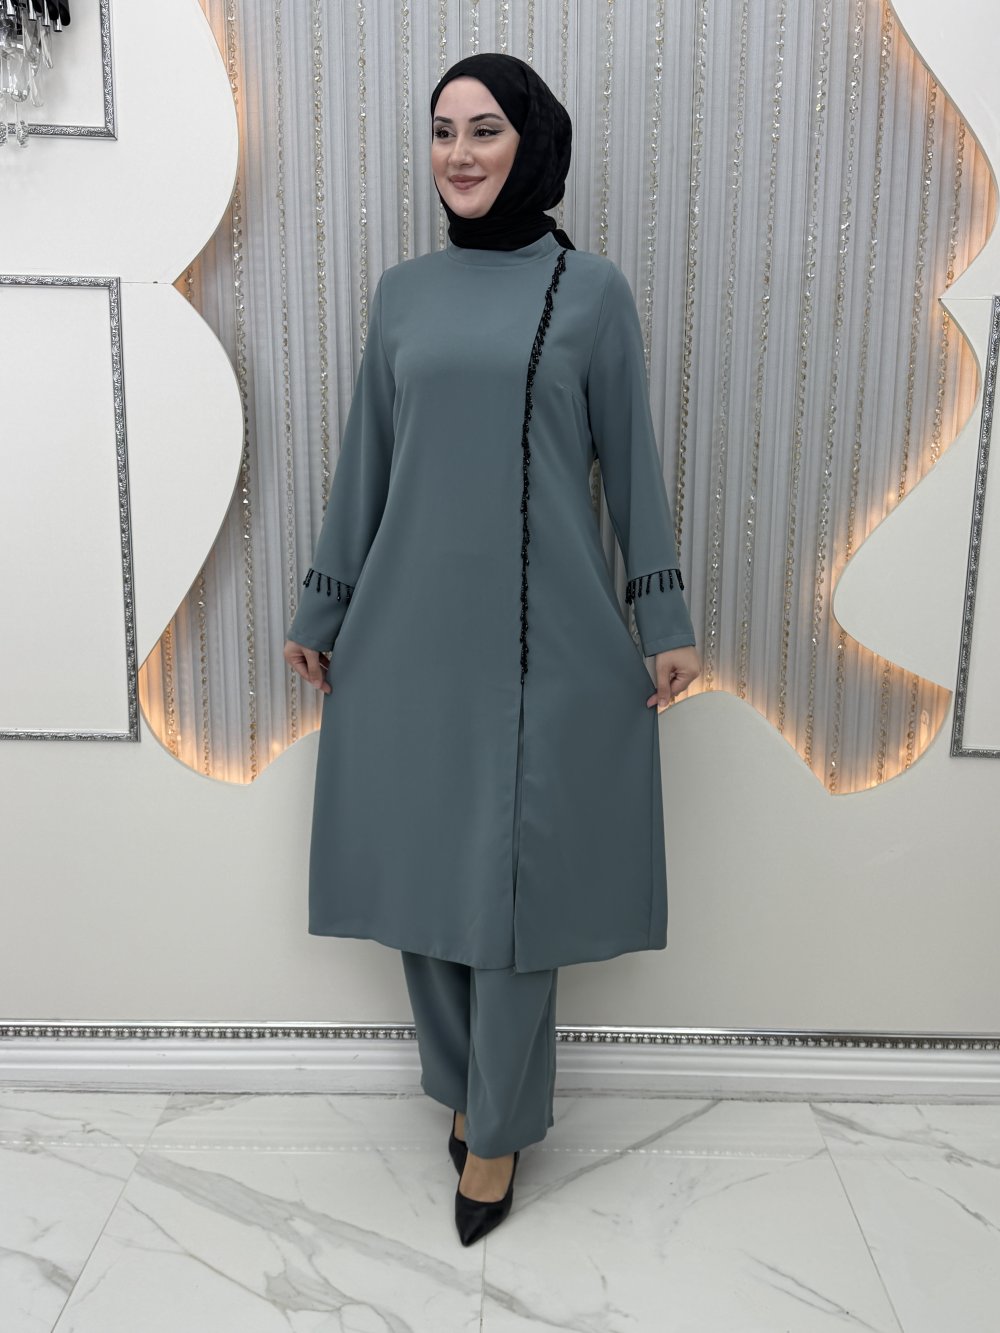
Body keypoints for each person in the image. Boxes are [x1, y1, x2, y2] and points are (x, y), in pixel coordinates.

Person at [283, 52, 701, 1246]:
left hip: (542, 636)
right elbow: (367, 459)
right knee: (426, 880)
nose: (458, 154)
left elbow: (631, 464)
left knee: (511, 894)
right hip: (405, 631)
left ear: (531, 144)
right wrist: (323, 607)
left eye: (483, 130)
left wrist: (662, 616)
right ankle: (464, 1088)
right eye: (442, 131)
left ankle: (501, 1128)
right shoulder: (402, 295)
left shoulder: (591, 292)